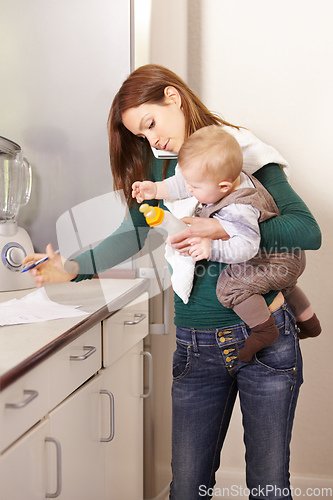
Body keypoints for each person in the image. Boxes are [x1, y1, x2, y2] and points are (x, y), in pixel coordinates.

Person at [23, 64, 322, 500]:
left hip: (266, 338)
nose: (152, 140)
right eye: (141, 136)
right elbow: (132, 234)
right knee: (186, 486)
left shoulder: (238, 153)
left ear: (173, 97)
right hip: (196, 345)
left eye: (150, 124)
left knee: (268, 485)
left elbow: (306, 230)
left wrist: (219, 229)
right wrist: (70, 268)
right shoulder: (161, 169)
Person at [132, 125, 321, 362]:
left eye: (195, 188)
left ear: (223, 187)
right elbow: (182, 183)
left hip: (275, 261)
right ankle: (310, 322)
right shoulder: (224, 177)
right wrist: (155, 189)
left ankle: (264, 330)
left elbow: (247, 247)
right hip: (286, 259)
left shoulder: (238, 208)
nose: (189, 190)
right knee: (286, 285)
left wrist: (212, 248)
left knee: (230, 285)